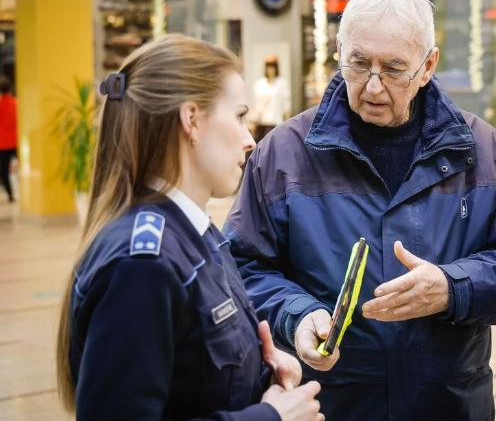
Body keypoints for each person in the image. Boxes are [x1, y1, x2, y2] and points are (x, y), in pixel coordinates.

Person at [223, 0, 496, 421]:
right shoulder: (283, 155)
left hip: (447, 405)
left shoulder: (483, 153)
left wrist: (453, 288)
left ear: (428, 64)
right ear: (339, 51)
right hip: (329, 404)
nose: (373, 87)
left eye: (394, 69)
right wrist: (297, 316)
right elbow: (242, 268)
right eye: (359, 64)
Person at [56, 34, 323, 421]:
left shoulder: (198, 235)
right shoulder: (142, 265)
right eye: (239, 115)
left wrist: (263, 376)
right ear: (192, 120)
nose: (250, 139)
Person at [252, 54, 291, 142]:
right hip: (261, 125)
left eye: (273, 67)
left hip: (276, 124)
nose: (270, 69)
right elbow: (257, 106)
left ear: (276, 68)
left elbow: (286, 107)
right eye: (268, 66)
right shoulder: (260, 84)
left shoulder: (282, 83)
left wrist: (287, 126)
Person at [0, 75, 16, 202]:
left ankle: (10, 194)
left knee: (4, 171)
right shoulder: (16, 103)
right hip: (17, 142)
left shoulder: (0, 105)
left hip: (3, 143)